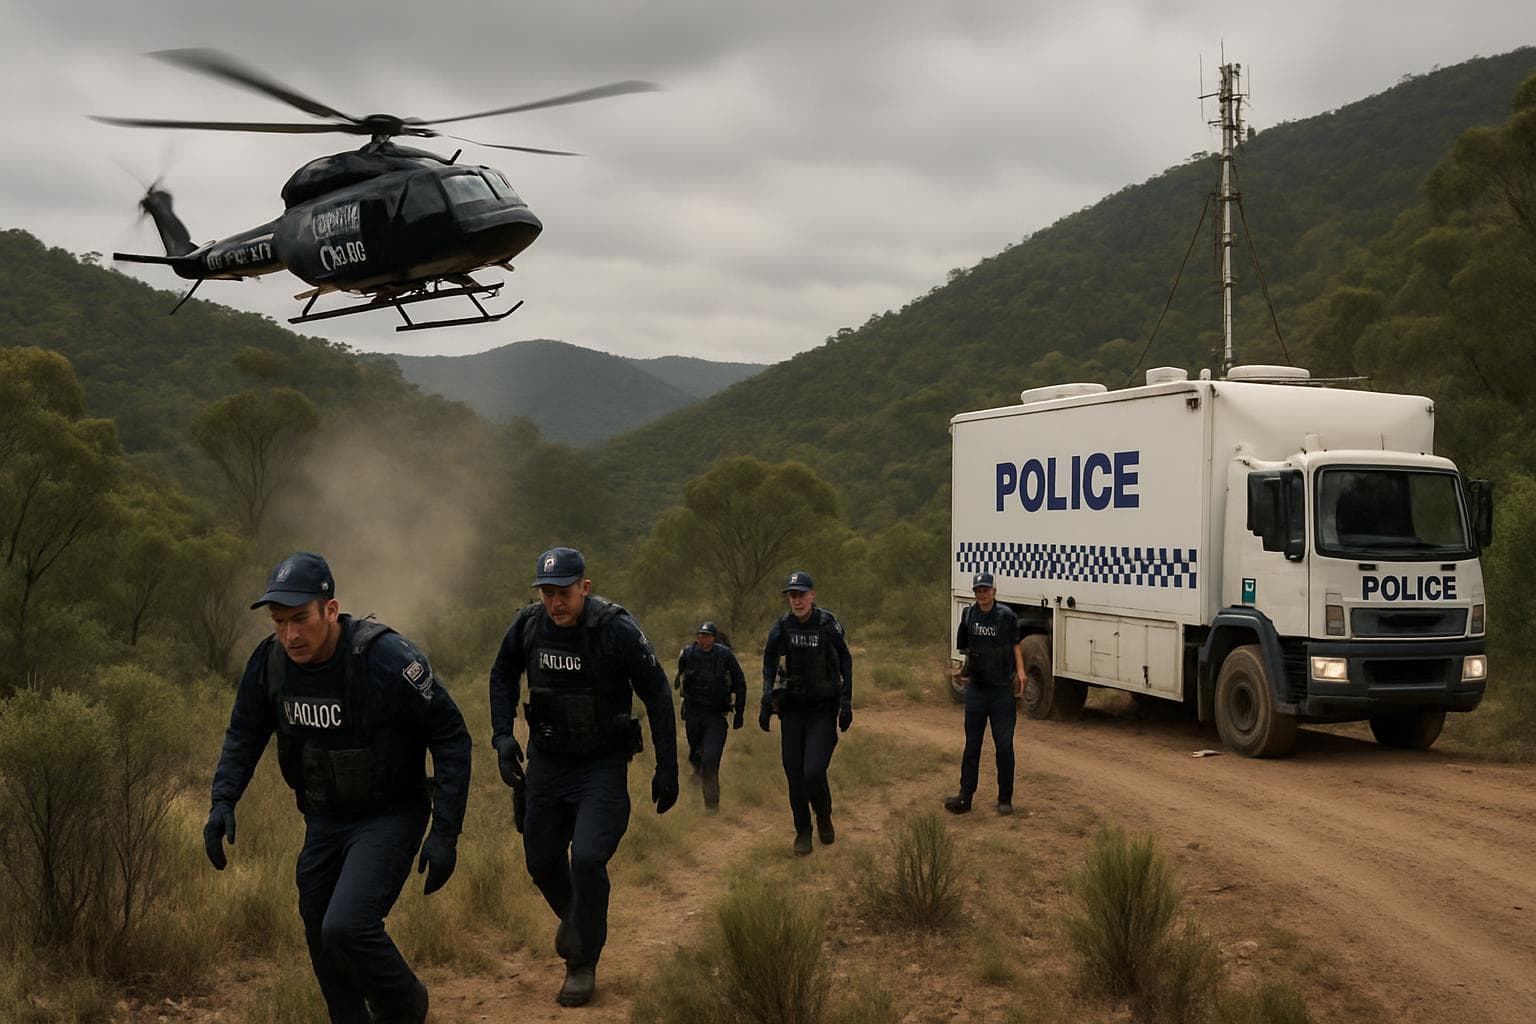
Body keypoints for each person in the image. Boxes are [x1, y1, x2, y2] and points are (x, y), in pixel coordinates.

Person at [203, 551, 471, 1024]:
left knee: (347, 926)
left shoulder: (386, 658)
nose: (290, 634)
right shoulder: (270, 663)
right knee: (318, 925)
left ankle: (405, 1004)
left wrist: (445, 832)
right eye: (279, 621)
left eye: (300, 619)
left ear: (330, 609)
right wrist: (223, 799)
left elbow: (450, 735)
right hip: (324, 818)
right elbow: (244, 732)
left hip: (390, 813)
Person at [488, 546, 679, 1007]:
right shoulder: (528, 625)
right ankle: (579, 920)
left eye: (564, 593)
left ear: (584, 588)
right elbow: (502, 675)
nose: (556, 602)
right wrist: (502, 736)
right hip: (548, 762)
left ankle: (582, 961)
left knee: (589, 859)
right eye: (547, 593)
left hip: (601, 764)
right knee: (540, 861)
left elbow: (656, 692)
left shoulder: (616, 629)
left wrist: (667, 766)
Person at [759, 570, 853, 856]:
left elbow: (845, 659)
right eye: (792, 595)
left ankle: (823, 815)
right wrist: (766, 699)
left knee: (813, 771)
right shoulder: (782, 627)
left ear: (812, 595)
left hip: (822, 709)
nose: (797, 600)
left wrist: (846, 702)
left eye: (801, 594)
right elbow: (769, 661)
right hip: (794, 710)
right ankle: (803, 831)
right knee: (794, 774)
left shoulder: (827, 624)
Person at [944, 571, 1023, 816]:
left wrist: (1021, 672)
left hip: (1001, 692)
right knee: (972, 746)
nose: (982, 594)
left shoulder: (1006, 616)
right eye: (978, 590)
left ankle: (1005, 799)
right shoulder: (969, 615)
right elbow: (968, 649)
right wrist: (962, 671)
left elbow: (1015, 645)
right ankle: (965, 797)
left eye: (986, 590)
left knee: (1004, 747)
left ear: (994, 591)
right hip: (977, 691)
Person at [674, 621, 748, 812]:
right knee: (695, 756)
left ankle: (711, 806)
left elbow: (740, 682)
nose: (703, 640)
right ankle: (697, 768)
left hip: (716, 716)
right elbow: (680, 678)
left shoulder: (724, 655)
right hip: (693, 714)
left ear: (714, 638)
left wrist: (739, 712)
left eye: (707, 636)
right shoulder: (688, 654)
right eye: (700, 636)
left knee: (710, 760)